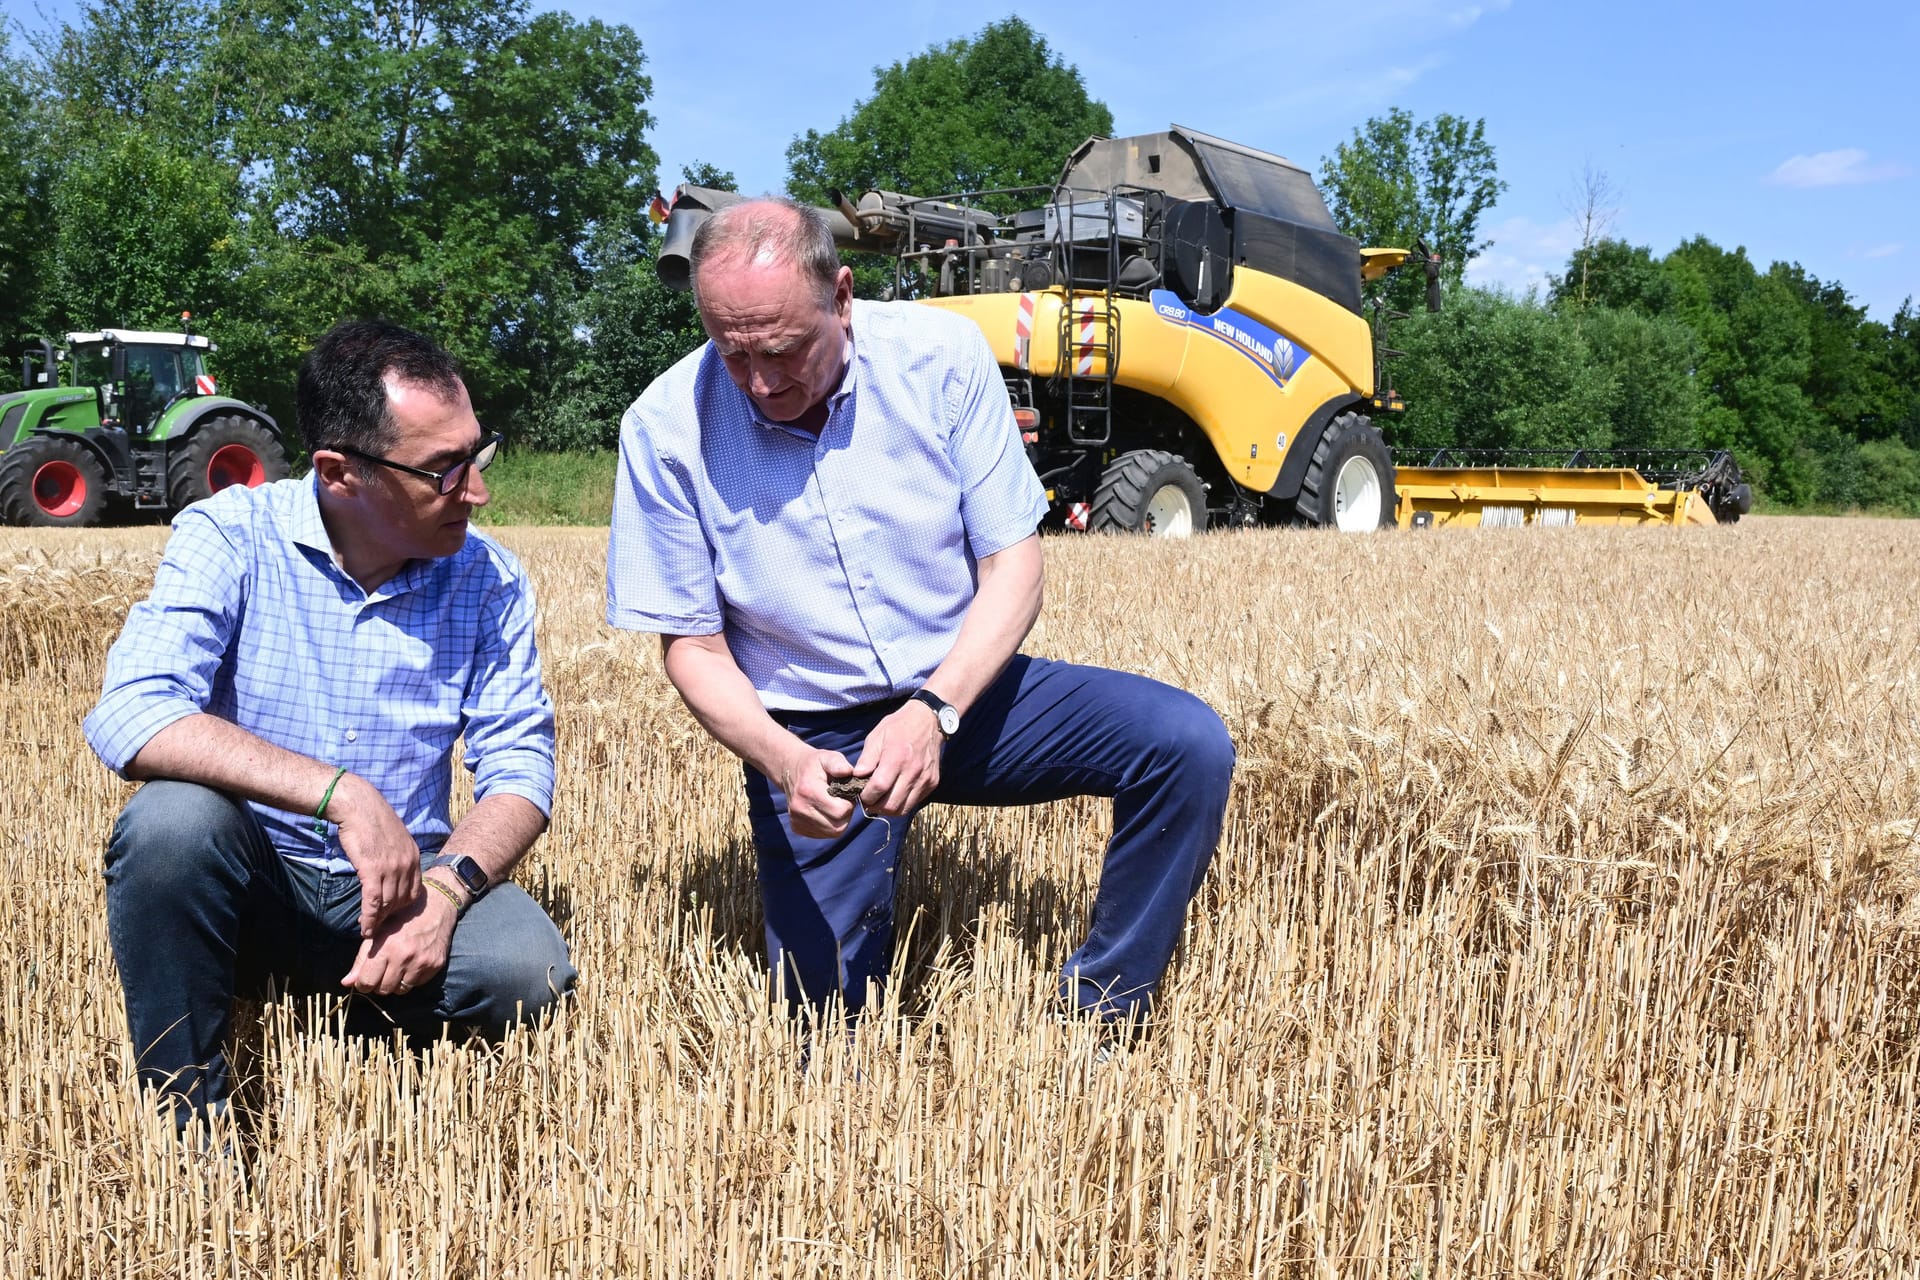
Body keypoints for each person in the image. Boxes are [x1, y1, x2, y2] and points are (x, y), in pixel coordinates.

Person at [606, 198, 1234, 1030]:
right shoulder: (662, 428)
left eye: (784, 350)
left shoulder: (940, 357)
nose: (760, 382)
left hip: (967, 694)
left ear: (841, 296)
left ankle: (1106, 1011)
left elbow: (1013, 566)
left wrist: (934, 712)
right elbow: (692, 647)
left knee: (1187, 745)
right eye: (734, 353)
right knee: (824, 1032)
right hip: (812, 735)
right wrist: (784, 761)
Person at [85, 319, 575, 1130]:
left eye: (476, 456)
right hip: (255, 880)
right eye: (443, 470)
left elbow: (520, 769)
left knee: (526, 971)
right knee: (170, 826)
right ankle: (184, 1129)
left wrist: (448, 892)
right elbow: (133, 711)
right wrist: (341, 794)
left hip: (404, 889)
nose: (478, 492)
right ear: (340, 473)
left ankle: (347, 1029)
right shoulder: (231, 536)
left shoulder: (490, 580)